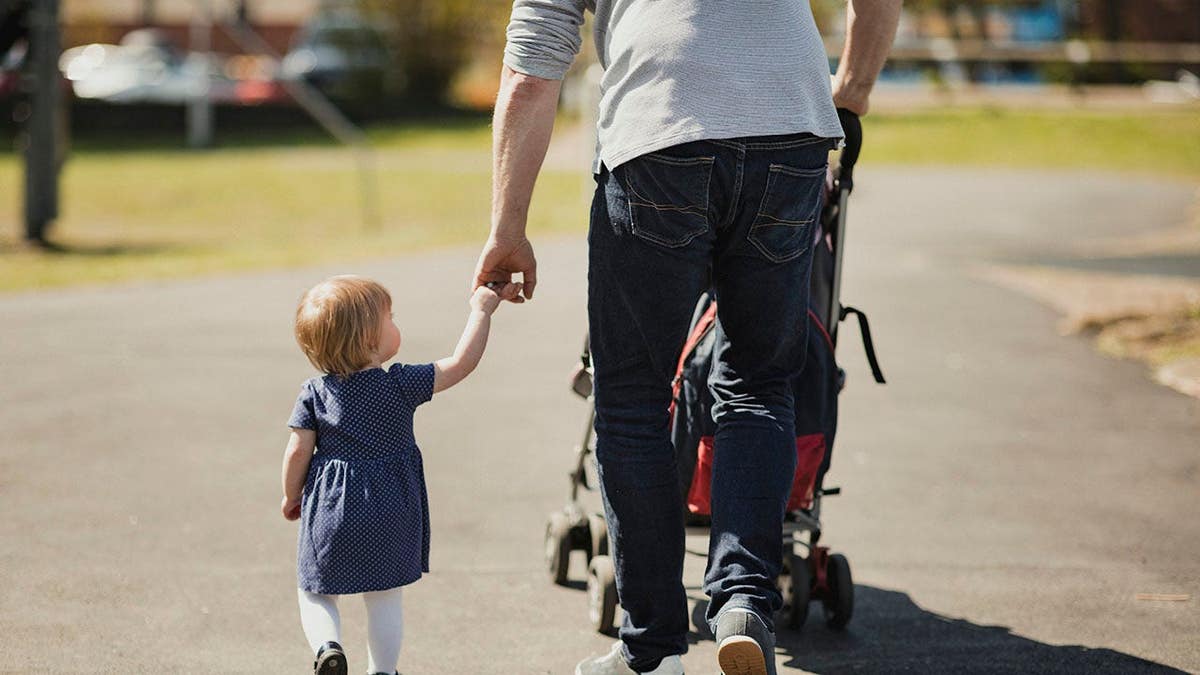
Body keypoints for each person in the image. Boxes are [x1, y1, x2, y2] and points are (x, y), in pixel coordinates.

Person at [477, 1, 900, 674]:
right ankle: (742, 601)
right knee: (759, 385)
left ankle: (651, 649)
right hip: (792, 127)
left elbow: (533, 65)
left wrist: (508, 225)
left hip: (661, 129)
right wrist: (850, 91)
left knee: (634, 400)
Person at [280, 275, 519, 675]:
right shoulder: (400, 385)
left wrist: (291, 496)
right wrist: (482, 311)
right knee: (385, 595)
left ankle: (328, 647)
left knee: (315, 590)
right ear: (372, 341)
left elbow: (298, 449)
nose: (396, 323)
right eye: (390, 317)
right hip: (392, 508)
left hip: (333, 510)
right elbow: (461, 363)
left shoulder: (315, 394)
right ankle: (383, 672)